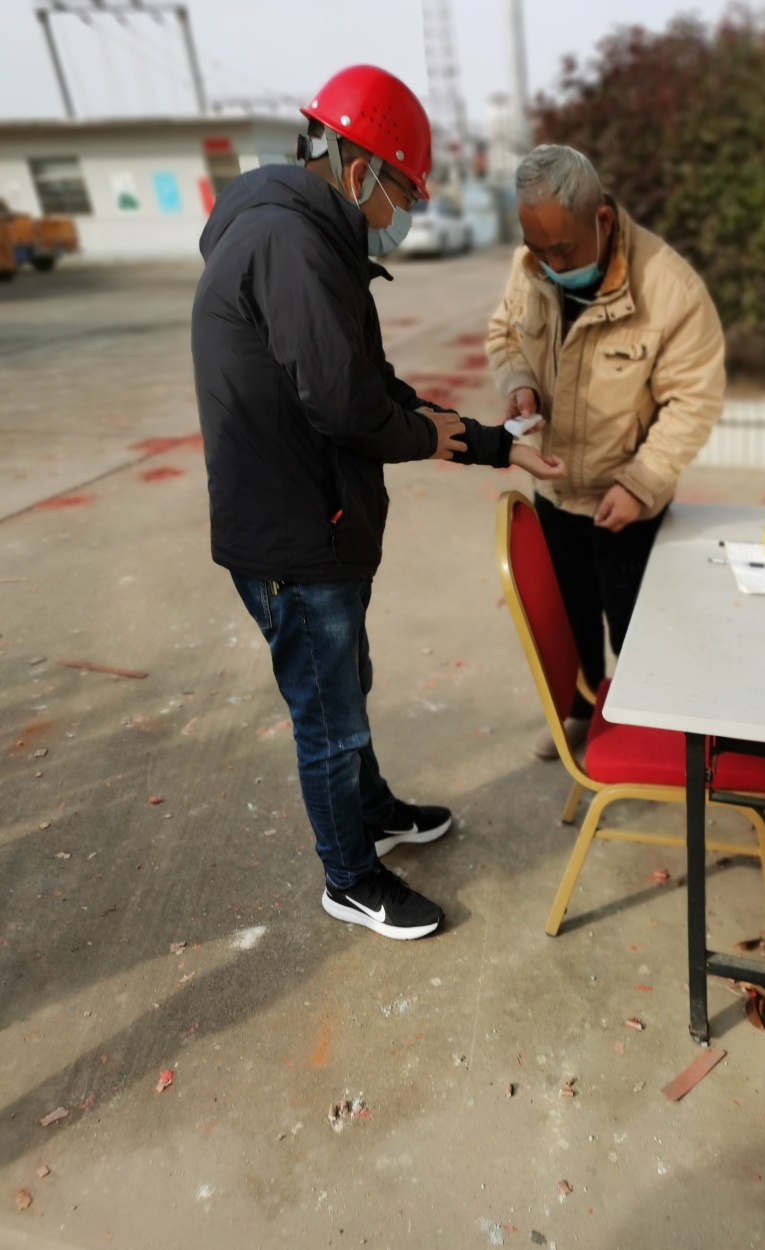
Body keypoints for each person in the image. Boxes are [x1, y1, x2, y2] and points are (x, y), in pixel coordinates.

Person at [191, 66, 564, 940]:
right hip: (295, 538)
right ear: (359, 169)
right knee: (328, 720)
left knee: (344, 690)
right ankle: (349, 878)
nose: (405, 212)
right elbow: (346, 406)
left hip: (316, 524)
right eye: (404, 191)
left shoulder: (308, 240)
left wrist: (492, 444)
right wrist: (427, 437)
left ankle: (373, 811)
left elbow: (372, 385)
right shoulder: (290, 244)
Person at [487, 144, 724, 759]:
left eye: (563, 250)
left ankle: (651, 737)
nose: (550, 263)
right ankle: (578, 715)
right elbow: (505, 332)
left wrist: (642, 482)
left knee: (637, 628)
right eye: (537, 247)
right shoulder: (531, 265)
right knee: (568, 623)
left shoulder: (669, 289)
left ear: (602, 219)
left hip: (626, 503)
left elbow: (694, 398)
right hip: (556, 486)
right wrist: (519, 381)